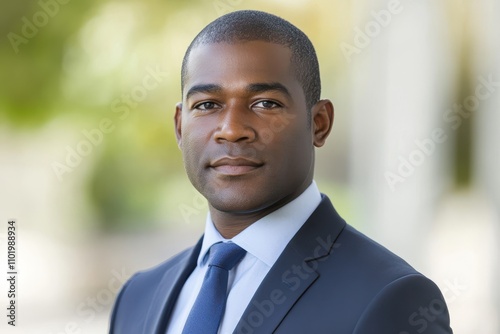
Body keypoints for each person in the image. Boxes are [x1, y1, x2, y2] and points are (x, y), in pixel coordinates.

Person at [109, 10, 453, 334]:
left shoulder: (393, 299)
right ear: (180, 126)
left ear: (319, 124)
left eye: (265, 104)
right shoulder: (137, 297)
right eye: (207, 105)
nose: (230, 129)